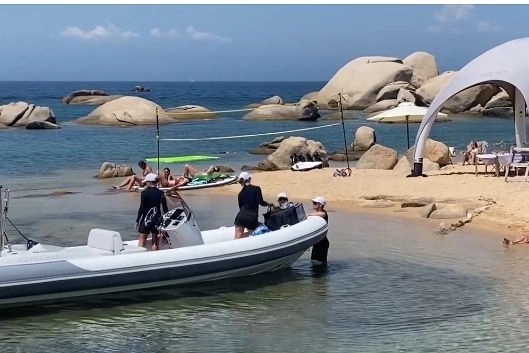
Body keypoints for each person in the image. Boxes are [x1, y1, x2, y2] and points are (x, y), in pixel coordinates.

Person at [136, 173, 169, 251]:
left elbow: (141, 208)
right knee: (155, 241)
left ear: (149, 182)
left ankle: (139, 257)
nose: (145, 183)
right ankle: (154, 257)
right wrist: (166, 222)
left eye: (146, 182)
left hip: (145, 220)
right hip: (156, 220)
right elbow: (165, 209)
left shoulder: (144, 193)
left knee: (142, 239)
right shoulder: (161, 193)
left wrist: (137, 220)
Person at [234, 171, 270, 239]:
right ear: (249, 179)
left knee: (237, 237)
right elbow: (261, 202)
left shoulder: (240, 194)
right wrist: (268, 204)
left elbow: (241, 208)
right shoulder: (256, 189)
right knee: (253, 235)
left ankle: (233, 247)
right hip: (251, 218)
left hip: (239, 217)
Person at [309, 196, 329, 266]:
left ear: (321, 205)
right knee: (314, 261)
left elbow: (312, 215)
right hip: (317, 241)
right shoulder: (316, 212)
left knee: (321, 264)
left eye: (315, 203)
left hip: (322, 243)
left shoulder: (323, 214)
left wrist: (306, 215)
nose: (313, 204)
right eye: (313, 203)